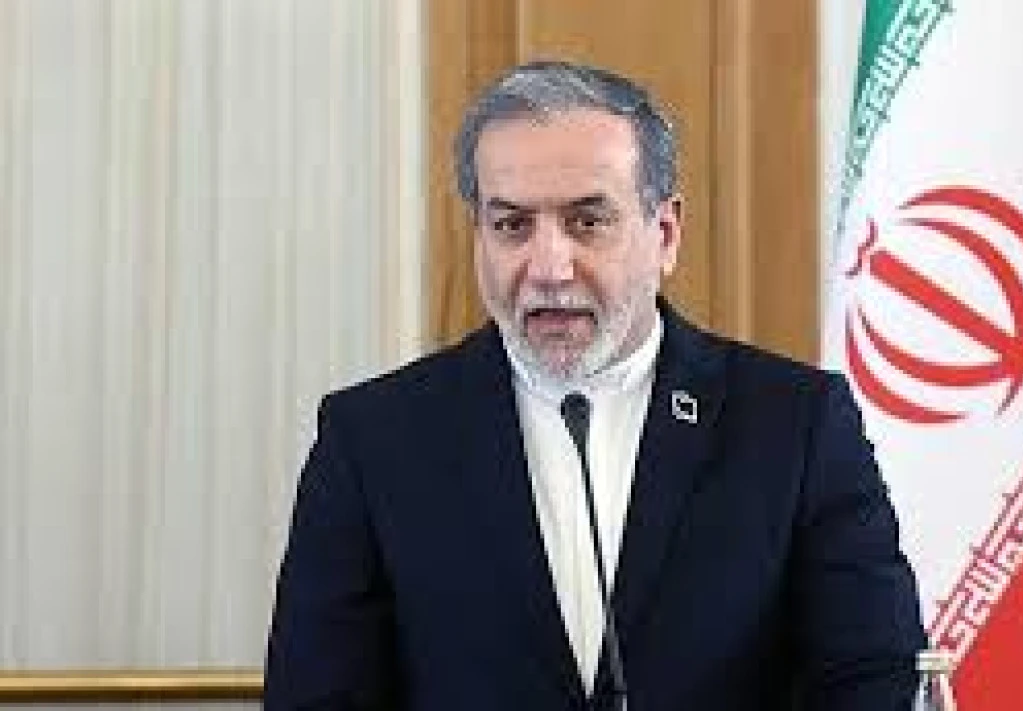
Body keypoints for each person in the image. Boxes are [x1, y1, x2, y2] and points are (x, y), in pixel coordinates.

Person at [264, 60, 926, 710]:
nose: (549, 267)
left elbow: (873, 681)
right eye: (512, 225)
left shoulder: (796, 426)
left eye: (587, 221)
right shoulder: (374, 440)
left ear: (665, 234)